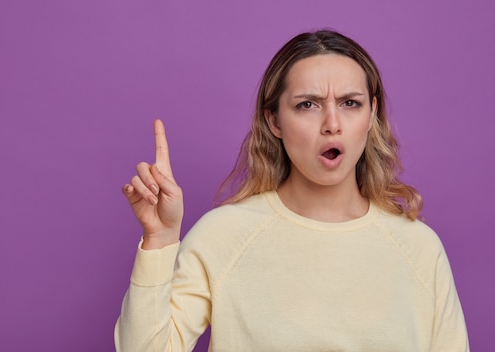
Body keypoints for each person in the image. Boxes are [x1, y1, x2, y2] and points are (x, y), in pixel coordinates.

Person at [114, 30, 469, 351]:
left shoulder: (419, 248)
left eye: (350, 103)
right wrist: (159, 240)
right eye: (308, 104)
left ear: (372, 114)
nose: (332, 125)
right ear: (274, 121)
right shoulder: (223, 235)